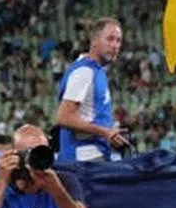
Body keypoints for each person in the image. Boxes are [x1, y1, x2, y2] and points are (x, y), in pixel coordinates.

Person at [54, 17, 131, 163]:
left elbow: (87, 115)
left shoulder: (95, 71)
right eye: (110, 39)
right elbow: (64, 117)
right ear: (94, 41)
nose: (115, 45)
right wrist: (105, 132)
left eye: (118, 41)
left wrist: (111, 132)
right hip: (84, 160)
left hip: (92, 156)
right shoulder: (85, 72)